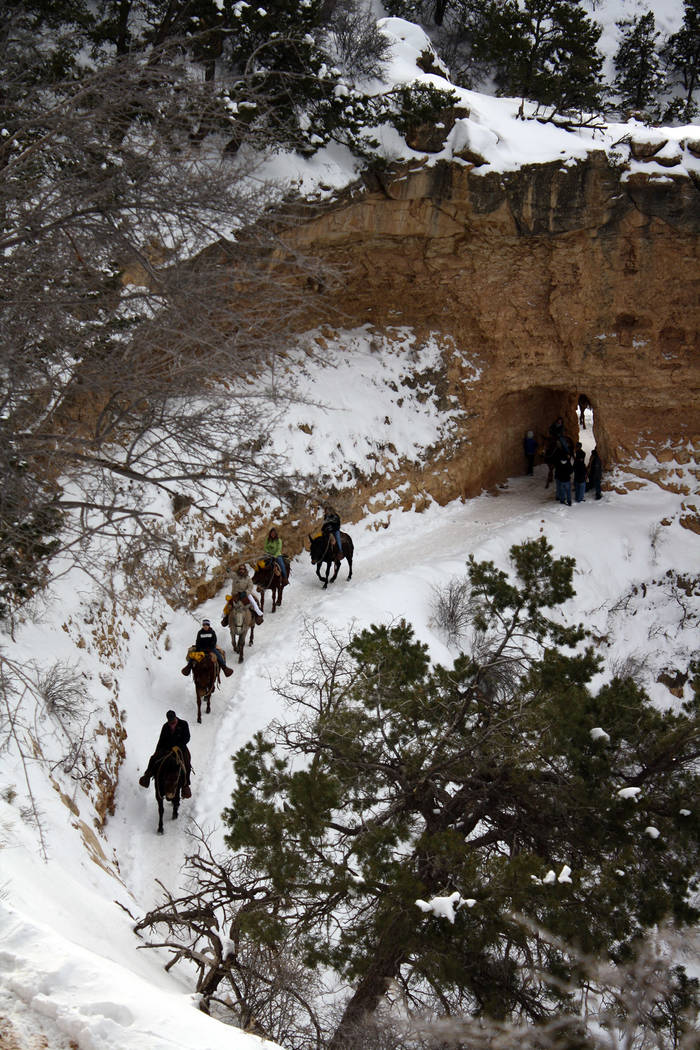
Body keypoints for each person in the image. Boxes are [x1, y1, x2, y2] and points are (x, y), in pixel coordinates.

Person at [139, 710, 192, 797]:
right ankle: (147, 776)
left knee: (186, 763)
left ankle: (185, 785)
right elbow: (161, 740)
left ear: (175, 717)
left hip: (180, 748)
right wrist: (157, 751)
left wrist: (178, 746)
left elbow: (187, 737)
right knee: (153, 758)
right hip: (167, 748)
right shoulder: (165, 727)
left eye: (173, 720)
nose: (172, 722)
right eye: (170, 721)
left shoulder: (183, 724)